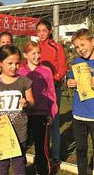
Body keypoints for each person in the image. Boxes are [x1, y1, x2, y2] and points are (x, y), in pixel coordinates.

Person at [0, 45, 34, 175]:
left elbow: (32, 102)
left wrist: (26, 103)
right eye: (10, 63)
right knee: (3, 163)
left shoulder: (24, 81)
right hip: (1, 131)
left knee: (19, 163)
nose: (14, 66)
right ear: (0, 63)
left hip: (20, 129)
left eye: (17, 63)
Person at [18, 41, 58, 175]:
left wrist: (52, 113)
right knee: (21, 146)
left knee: (41, 148)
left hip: (41, 114)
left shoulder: (46, 71)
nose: (37, 56)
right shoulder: (20, 71)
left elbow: (51, 93)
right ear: (25, 55)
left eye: (38, 52)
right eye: (33, 53)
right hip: (23, 115)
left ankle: (42, 171)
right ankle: (21, 171)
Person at [36, 19, 67, 166]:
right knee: (41, 122)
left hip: (54, 88)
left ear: (50, 31)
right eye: (39, 31)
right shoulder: (35, 47)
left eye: (44, 30)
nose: (41, 33)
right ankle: (43, 154)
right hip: (38, 90)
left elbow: (62, 67)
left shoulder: (57, 47)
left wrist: (53, 81)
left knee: (54, 122)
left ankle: (55, 157)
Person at [67, 28, 94, 175]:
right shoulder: (77, 61)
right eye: (77, 47)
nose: (80, 50)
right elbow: (70, 78)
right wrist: (69, 82)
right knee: (81, 149)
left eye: (83, 45)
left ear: (93, 41)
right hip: (78, 115)